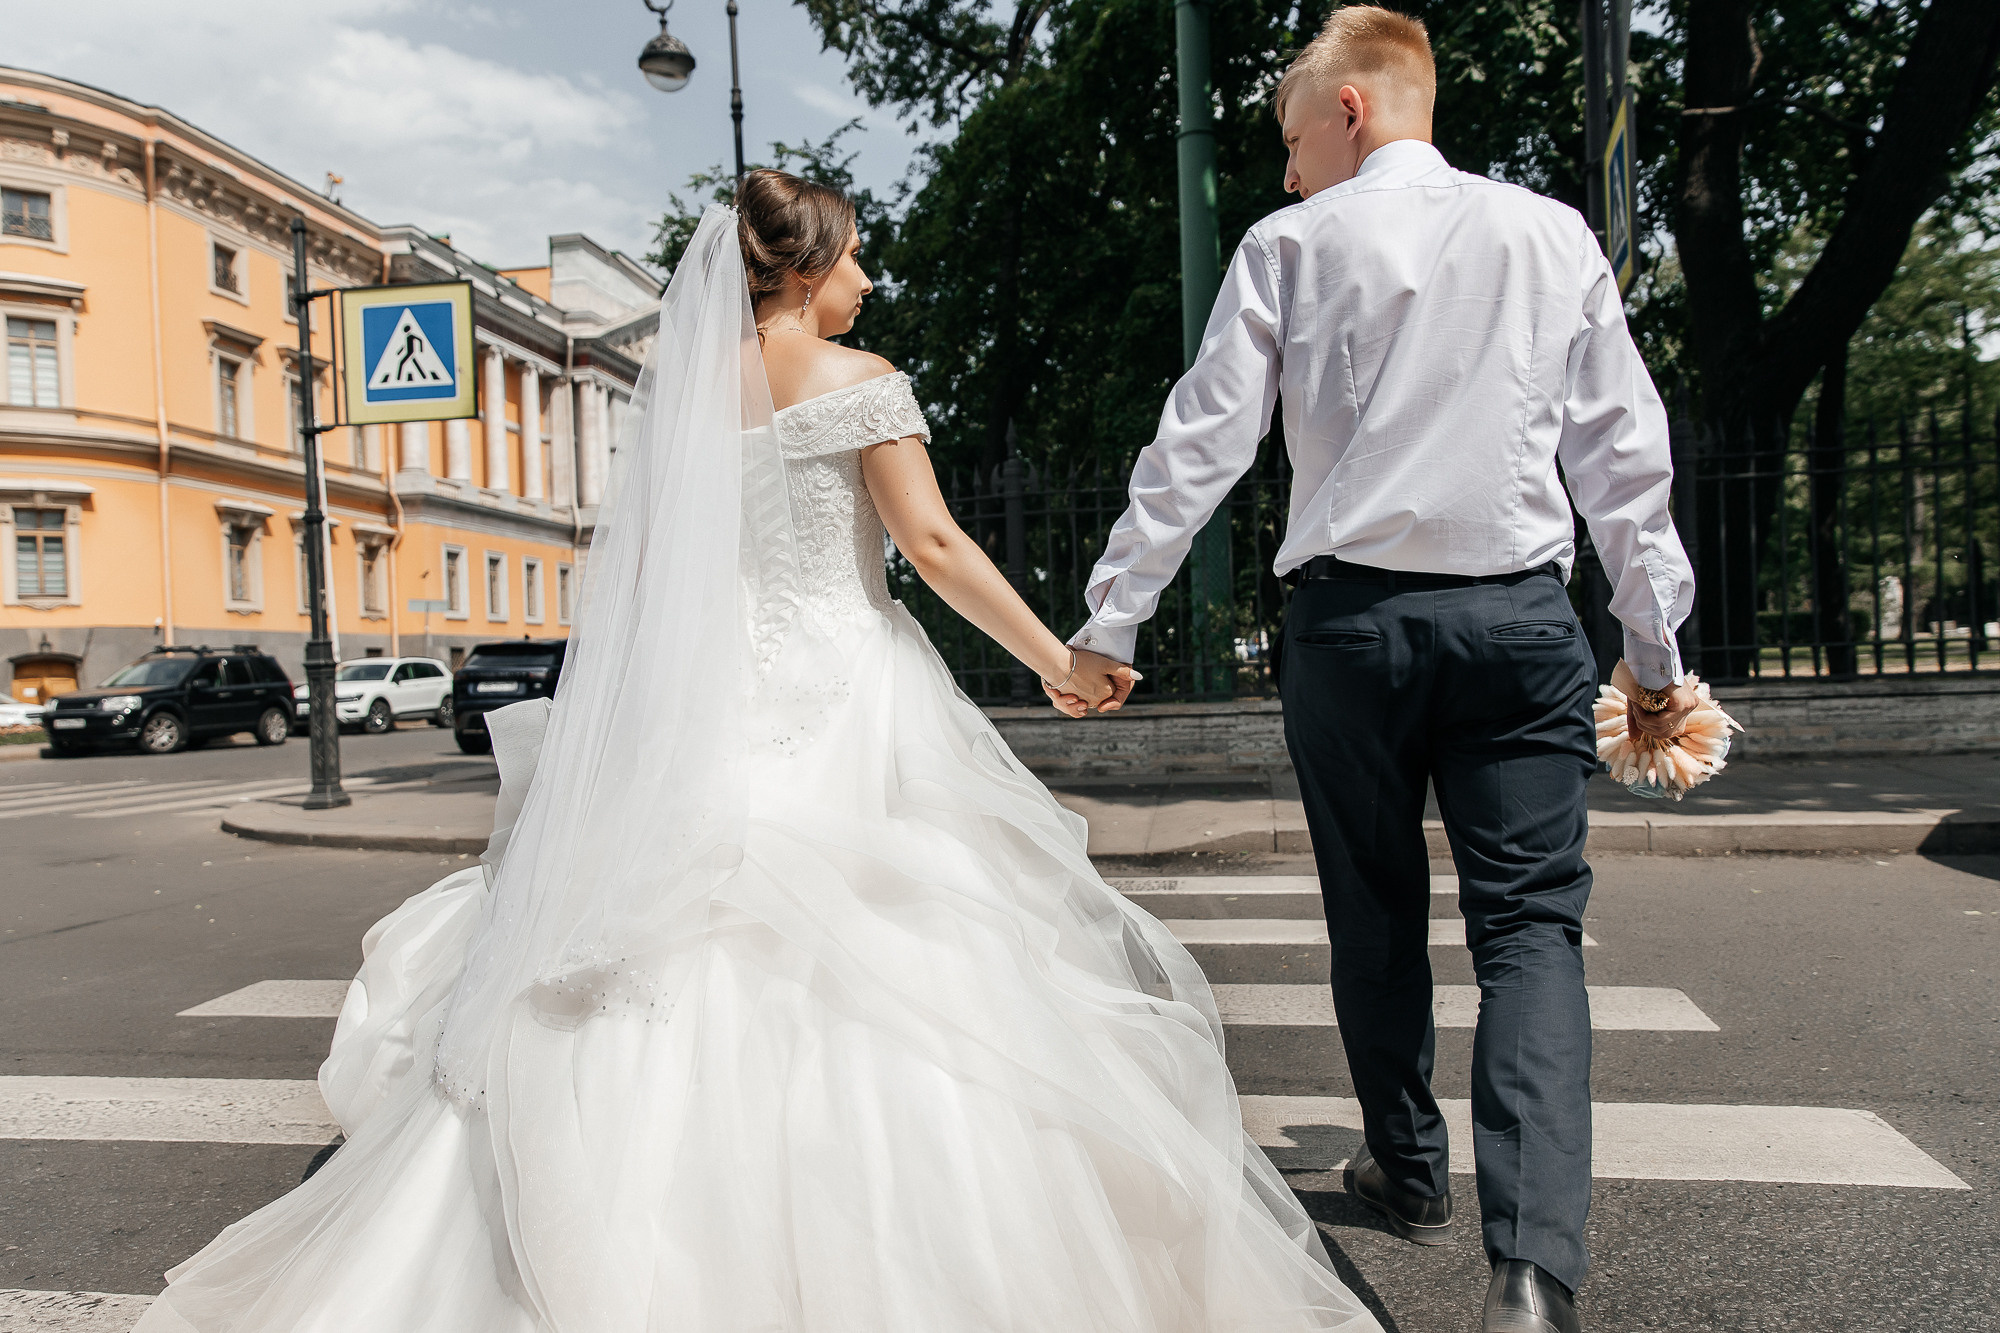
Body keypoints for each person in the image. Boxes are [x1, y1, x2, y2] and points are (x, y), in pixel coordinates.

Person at [134, 177, 1383, 1333]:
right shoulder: (856, 376)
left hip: (710, 711)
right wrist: (1061, 657)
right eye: (858, 257)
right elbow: (936, 547)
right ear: (807, 267)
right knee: (914, 964)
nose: (873, 278)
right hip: (844, 696)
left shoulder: (687, 389)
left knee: (667, 958)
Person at [1061, 9, 1695, 1333]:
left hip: (1350, 633)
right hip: (1520, 625)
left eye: (1293, 140)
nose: (1287, 173)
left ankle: (1408, 1170)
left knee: (1373, 907)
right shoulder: (1552, 234)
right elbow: (1622, 460)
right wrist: (1653, 655)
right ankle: (1532, 1274)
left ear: (1349, 108)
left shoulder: (1291, 243)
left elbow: (1202, 443)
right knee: (1531, 935)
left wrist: (1112, 621)